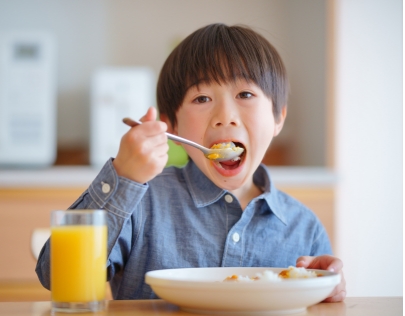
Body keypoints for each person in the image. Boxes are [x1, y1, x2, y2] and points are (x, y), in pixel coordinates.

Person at [36, 23, 346, 302]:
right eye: (202, 99)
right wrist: (123, 177)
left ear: (278, 117)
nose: (225, 116)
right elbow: (57, 275)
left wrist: (329, 288)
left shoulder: (305, 229)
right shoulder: (141, 202)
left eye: (245, 94)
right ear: (172, 127)